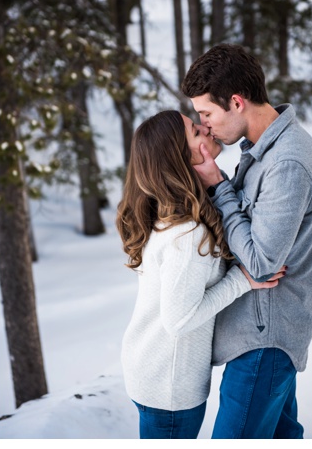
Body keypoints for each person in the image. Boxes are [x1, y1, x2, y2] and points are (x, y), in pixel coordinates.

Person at [181, 43, 312, 439]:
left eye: (207, 114)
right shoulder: (263, 151)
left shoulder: (287, 162)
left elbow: (261, 262)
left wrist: (218, 187)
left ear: (236, 102)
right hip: (261, 335)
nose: (205, 125)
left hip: (265, 340)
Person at [117, 110, 285, 439]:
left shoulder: (173, 213)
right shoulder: (187, 234)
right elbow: (178, 321)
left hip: (155, 370)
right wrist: (243, 279)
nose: (207, 129)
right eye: (196, 131)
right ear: (182, 158)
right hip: (168, 385)